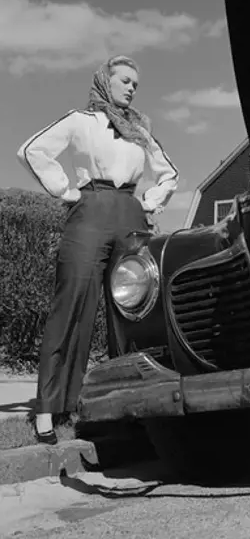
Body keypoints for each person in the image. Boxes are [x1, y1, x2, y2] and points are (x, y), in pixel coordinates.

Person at [17, 55, 179, 444]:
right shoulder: (81, 121)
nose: (131, 88)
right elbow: (32, 150)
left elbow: (168, 172)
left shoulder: (140, 129)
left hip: (130, 214)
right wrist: (66, 191)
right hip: (89, 210)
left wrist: (148, 201)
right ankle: (51, 408)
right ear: (105, 81)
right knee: (72, 303)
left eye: (135, 84)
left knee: (136, 311)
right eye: (124, 80)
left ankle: (130, 407)